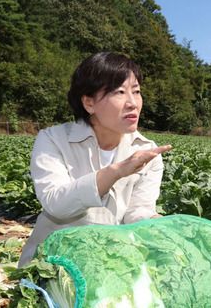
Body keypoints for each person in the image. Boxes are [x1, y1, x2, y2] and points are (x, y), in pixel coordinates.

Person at [18, 52, 172, 267]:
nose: (133, 103)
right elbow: (56, 204)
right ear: (89, 103)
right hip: (52, 263)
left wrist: (164, 225)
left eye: (136, 92)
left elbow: (138, 211)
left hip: (109, 262)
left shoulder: (147, 151)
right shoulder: (53, 140)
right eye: (119, 92)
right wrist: (116, 171)